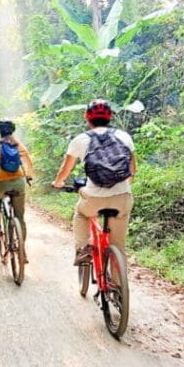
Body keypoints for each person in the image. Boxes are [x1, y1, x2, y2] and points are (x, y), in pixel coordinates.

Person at [52, 100, 136, 265]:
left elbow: (65, 169)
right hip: (122, 198)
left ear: (87, 117)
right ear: (110, 116)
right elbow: (132, 170)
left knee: (81, 213)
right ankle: (118, 287)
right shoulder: (124, 136)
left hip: (93, 199)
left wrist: (58, 183)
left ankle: (83, 249)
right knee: (118, 246)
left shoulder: (80, 139)